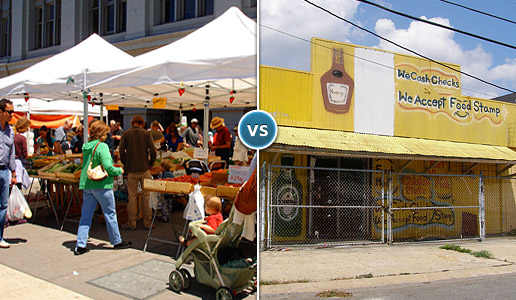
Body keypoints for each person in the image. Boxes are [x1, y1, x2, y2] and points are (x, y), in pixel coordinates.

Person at [74, 120, 131, 255]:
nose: (107, 135)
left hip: (87, 184)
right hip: (101, 184)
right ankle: (116, 241)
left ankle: (80, 244)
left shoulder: (86, 146)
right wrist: (120, 171)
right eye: (106, 133)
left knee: (86, 215)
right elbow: (108, 167)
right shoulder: (102, 147)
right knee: (110, 213)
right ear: (101, 134)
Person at [119, 115, 157, 230]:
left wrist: (126, 163)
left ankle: (132, 223)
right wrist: (150, 163)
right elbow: (153, 150)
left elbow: (121, 151)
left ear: (132, 123)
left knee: (132, 197)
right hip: (145, 168)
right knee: (146, 196)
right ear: (142, 123)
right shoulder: (146, 134)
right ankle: (147, 223)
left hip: (132, 170)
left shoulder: (126, 134)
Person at [0, 98, 16, 248]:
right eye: (9, 112)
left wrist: (14, 173)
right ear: (1, 112)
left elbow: (12, 153)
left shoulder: (10, 130)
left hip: (4, 170)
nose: (12, 114)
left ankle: (0, 237)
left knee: (3, 205)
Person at [13, 117, 31, 190]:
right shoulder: (22, 138)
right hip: (17, 164)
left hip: (8, 164)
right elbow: (24, 155)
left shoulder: (11, 135)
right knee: (17, 187)